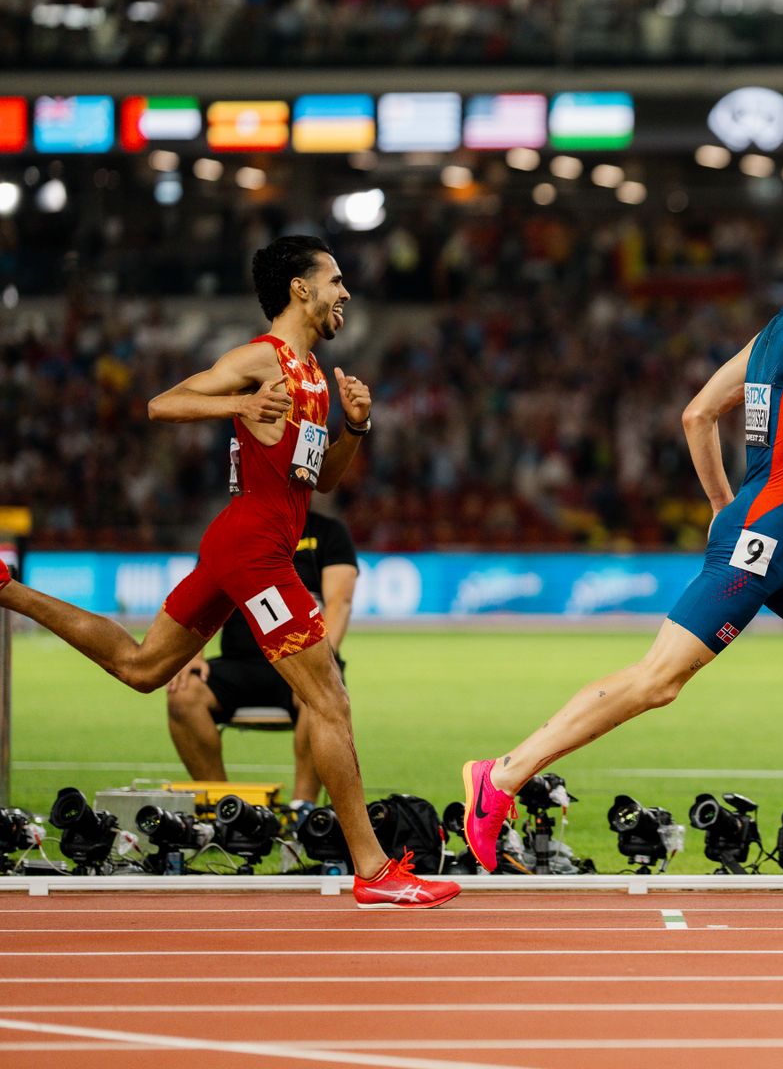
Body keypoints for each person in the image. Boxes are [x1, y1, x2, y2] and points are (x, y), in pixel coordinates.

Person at [459, 205, 783, 881]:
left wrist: (727, 509)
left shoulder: (774, 332)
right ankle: (502, 774)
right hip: (765, 537)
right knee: (658, 681)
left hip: (777, 542)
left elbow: (697, 414)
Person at [0, 237, 455, 908]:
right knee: (329, 698)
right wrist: (237, 407)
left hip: (242, 543)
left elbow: (318, 483)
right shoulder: (259, 359)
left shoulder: (312, 377)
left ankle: (9, 590)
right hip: (256, 554)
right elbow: (164, 404)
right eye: (335, 280)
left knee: (143, 668)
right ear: (301, 289)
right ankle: (375, 870)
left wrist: (355, 429)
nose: (346, 294)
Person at [165, 508, 359, 812]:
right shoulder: (231, 532)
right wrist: (193, 655)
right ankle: (223, 810)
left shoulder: (329, 532)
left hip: (302, 657)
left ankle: (302, 811)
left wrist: (323, 658)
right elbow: (200, 598)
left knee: (320, 694)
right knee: (183, 693)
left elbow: (340, 603)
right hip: (240, 663)